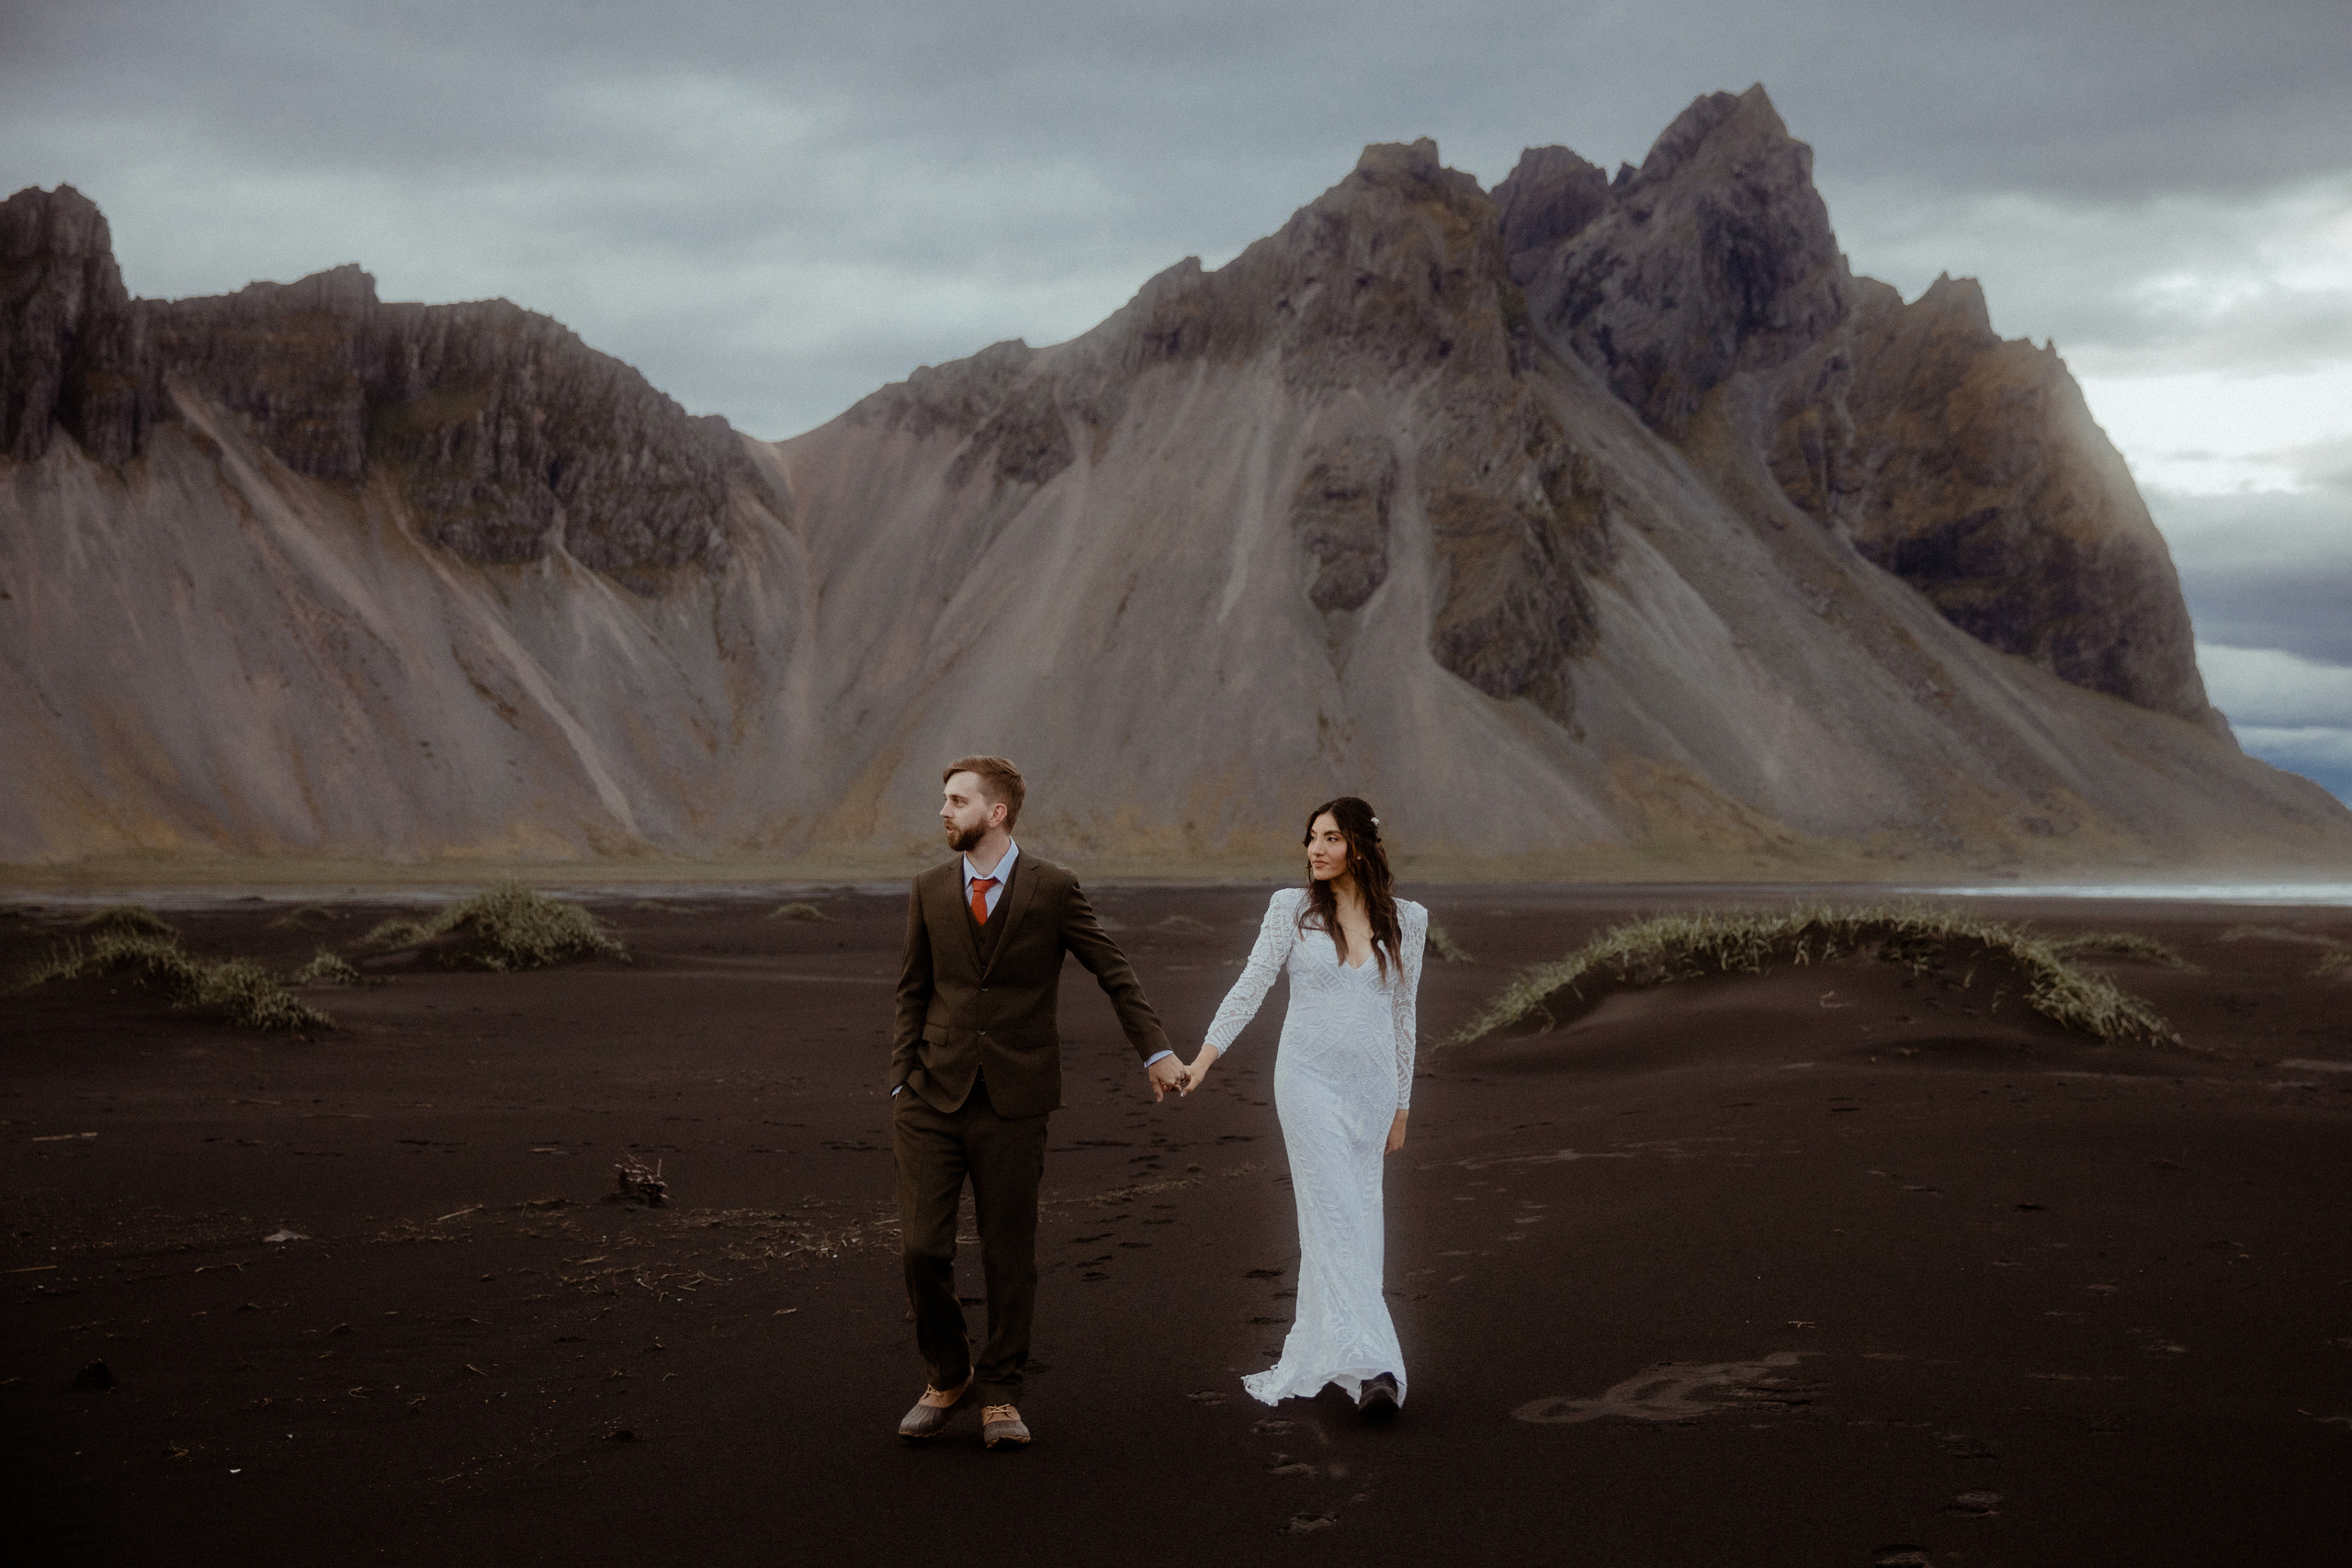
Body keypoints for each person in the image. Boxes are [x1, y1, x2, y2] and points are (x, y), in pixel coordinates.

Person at [889, 755, 1184, 1449]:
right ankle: (950, 1369)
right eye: (943, 798)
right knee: (919, 1249)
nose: (943, 810)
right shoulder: (929, 889)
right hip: (930, 1094)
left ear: (996, 812)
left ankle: (1001, 1394)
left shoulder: (1053, 888)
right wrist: (900, 1077)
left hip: (1014, 1100)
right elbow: (912, 988)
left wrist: (1157, 1049)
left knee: (1007, 1252)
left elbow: (1113, 969)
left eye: (957, 799)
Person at [1177, 796, 1427, 1416]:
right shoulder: (1289, 909)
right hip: (1308, 1083)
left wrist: (1402, 1106)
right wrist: (1203, 1059)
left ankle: (1337, 1349)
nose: (1315, 848)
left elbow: (1404, 1017)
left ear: (1360, 847)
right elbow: (1251, 984)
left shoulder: (1408, 920)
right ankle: (1377, 1369)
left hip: (1371, 1092)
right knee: (1335, 1212)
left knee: (1359, 1217)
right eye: (1311, 837)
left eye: (1330, 837)